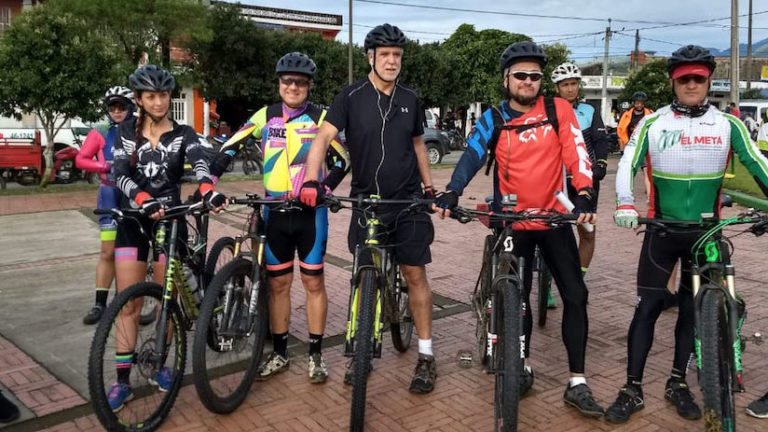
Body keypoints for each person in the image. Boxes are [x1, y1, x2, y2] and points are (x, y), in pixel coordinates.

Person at [433, 41, 604, 418]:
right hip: (512, 221)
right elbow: (472, 154)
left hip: (553, 217)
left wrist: (584, 193)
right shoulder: (493, 117)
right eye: (521, 75)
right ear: (506, 79)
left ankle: (577, 382)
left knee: (576, 295)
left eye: (535, 76)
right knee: (517, 297)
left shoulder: (558, 109)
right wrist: (452, 190)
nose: (528, 81)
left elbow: (577, 154)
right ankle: (521, 367)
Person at [606, 45, 768, 424]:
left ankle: (678, 382)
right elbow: (628, 163)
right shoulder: (653, 122)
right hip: (662, 231)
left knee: (692, 312)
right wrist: (625, 203)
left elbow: (757, 163)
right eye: (684, 79)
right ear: (673, 83)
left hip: (706, 234)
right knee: (647, 308)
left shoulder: (728, 125)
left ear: (709, 81)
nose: (691, 85)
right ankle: (632, 388)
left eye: (698, 78)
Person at [299, 23, 439, 394]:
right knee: (364, 274)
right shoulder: (351, 96)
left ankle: (426, 356)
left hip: (407, 200)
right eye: (385, 55)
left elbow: (419, 145)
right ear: (370, 58)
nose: (392, 61)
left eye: (397, 55)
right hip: (366, 201)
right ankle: (360, 352)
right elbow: (323, 138)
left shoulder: (410, 98)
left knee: (414, 273)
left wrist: (428, 187)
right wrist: (312, 181)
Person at [209, 52, 349, 384]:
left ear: (309, 86)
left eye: (300, 82)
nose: (293, 87)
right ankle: (281, 353)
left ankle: (315, 356)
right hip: (274, 213)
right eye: (287, 81)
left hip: (310, 215)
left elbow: (342, 161)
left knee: (313, 282)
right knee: (278, 284)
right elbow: (230, 147)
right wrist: (208, 182)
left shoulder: (321, 118)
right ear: (279, 83)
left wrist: (323, 187)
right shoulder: (265, 116)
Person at [107, 65, 226, 412]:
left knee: (165, 301)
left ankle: (159, 364)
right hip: (133, 221)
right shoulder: (125, 131)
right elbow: (119, 173)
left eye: (163, 95)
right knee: (128, 303)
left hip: (171, 222)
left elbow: (200, 165)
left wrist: (208, 190)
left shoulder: (184, 133)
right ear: (139, 99)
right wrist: (143, 198)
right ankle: (122, 381)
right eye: (151, 96)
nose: (158, 102)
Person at [77, 86, 135, 325]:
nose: (117, 112)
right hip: (110, 193)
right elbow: (81, 159)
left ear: (131, 107)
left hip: (133, 195)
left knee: (130, 252)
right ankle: (99, 304)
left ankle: (128, 300)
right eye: (112, 108)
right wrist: (104, 166)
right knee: (108, 251)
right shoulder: (100, 131)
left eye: (121, 107)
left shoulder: (139, 130)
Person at [551, 62, 609, 280]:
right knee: (552, 231)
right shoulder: (549, 110)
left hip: (585, 179)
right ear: (557, 88)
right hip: (557, 180)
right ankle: (549, 280)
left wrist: (601, 164)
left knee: (587, 232)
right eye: (565, 85)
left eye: (573, 84)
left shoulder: (589, 110)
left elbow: (600, 140)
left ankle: (577, 279)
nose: (570, 89)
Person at [617, 91, 653, 199]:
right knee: (629, 170)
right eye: (637, 103)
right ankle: (627, 192)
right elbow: (620, 130)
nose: (639, 105)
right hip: (632, 146)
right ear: (633, 103)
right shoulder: (627, 115)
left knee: (646, 170)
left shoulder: (650, 113)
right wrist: (625, 144)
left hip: (646, 146)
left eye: (641, 103)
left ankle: (649, 195)